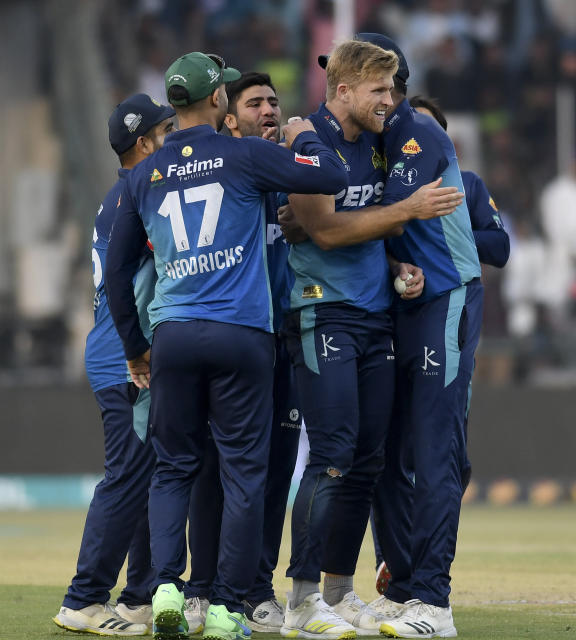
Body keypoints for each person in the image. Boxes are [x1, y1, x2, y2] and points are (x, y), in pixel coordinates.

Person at [104, 52, 347, 640]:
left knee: (173, 470)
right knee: (243, 475)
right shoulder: (244, 154)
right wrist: (307, 136)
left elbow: (117, 276)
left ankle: (167, 587)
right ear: (218, 101)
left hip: (176, 336)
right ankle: (226, 609)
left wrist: (137, 347)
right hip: (242, 335)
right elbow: (331, 178)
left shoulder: (144, 174)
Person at [278, 38, 461, 639]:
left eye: (391, 90)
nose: (390, 102)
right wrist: (407, 210)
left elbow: (358, 229)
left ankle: (337, 590)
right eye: (379, 91)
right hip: (321, 313)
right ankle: (301, 598)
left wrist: (393, 267)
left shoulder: (375, 149)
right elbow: (326, 231)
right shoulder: (310, 144)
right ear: (344, 91)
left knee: (367, 461)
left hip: (375, 314)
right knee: (330, 455)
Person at [345, 33, 481, 639]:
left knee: (432, 451)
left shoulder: (416, 134)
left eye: (375, 81)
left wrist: (320, 217)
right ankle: (402, 588)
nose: (370, 93)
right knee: (387, 455)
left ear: (390, 80)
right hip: (404, 305)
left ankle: (435, 601)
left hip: (444, 299)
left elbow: (395, 210)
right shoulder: (374, 142)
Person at [370, 94, 510, 594]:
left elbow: (500, 246)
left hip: (444, 320)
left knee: (445, 456)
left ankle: (423, 576)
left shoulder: (466, 187)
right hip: (394, 324)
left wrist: (446, 239)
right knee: (387, 452)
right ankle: (393, 563)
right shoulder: (382, 185)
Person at [181, 71, 303, 635]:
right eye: (256, 103)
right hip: (236, 336)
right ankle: (200, 587)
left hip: (285, 339)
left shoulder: (286, 173)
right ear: (229, 118)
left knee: (274, 472)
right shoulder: (228, 171)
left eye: (275, 102)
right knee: (211, 470)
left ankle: (256, 587)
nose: (270, 110)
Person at [53, 94, 175, 638]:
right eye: (168, 131)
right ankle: (83, 599)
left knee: (149, 476)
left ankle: (139, 597)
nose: (176, 138)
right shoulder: (140, 190)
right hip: (126, 359)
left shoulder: (119, 194)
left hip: (126, 352)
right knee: (128, 476)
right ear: (144, 143)